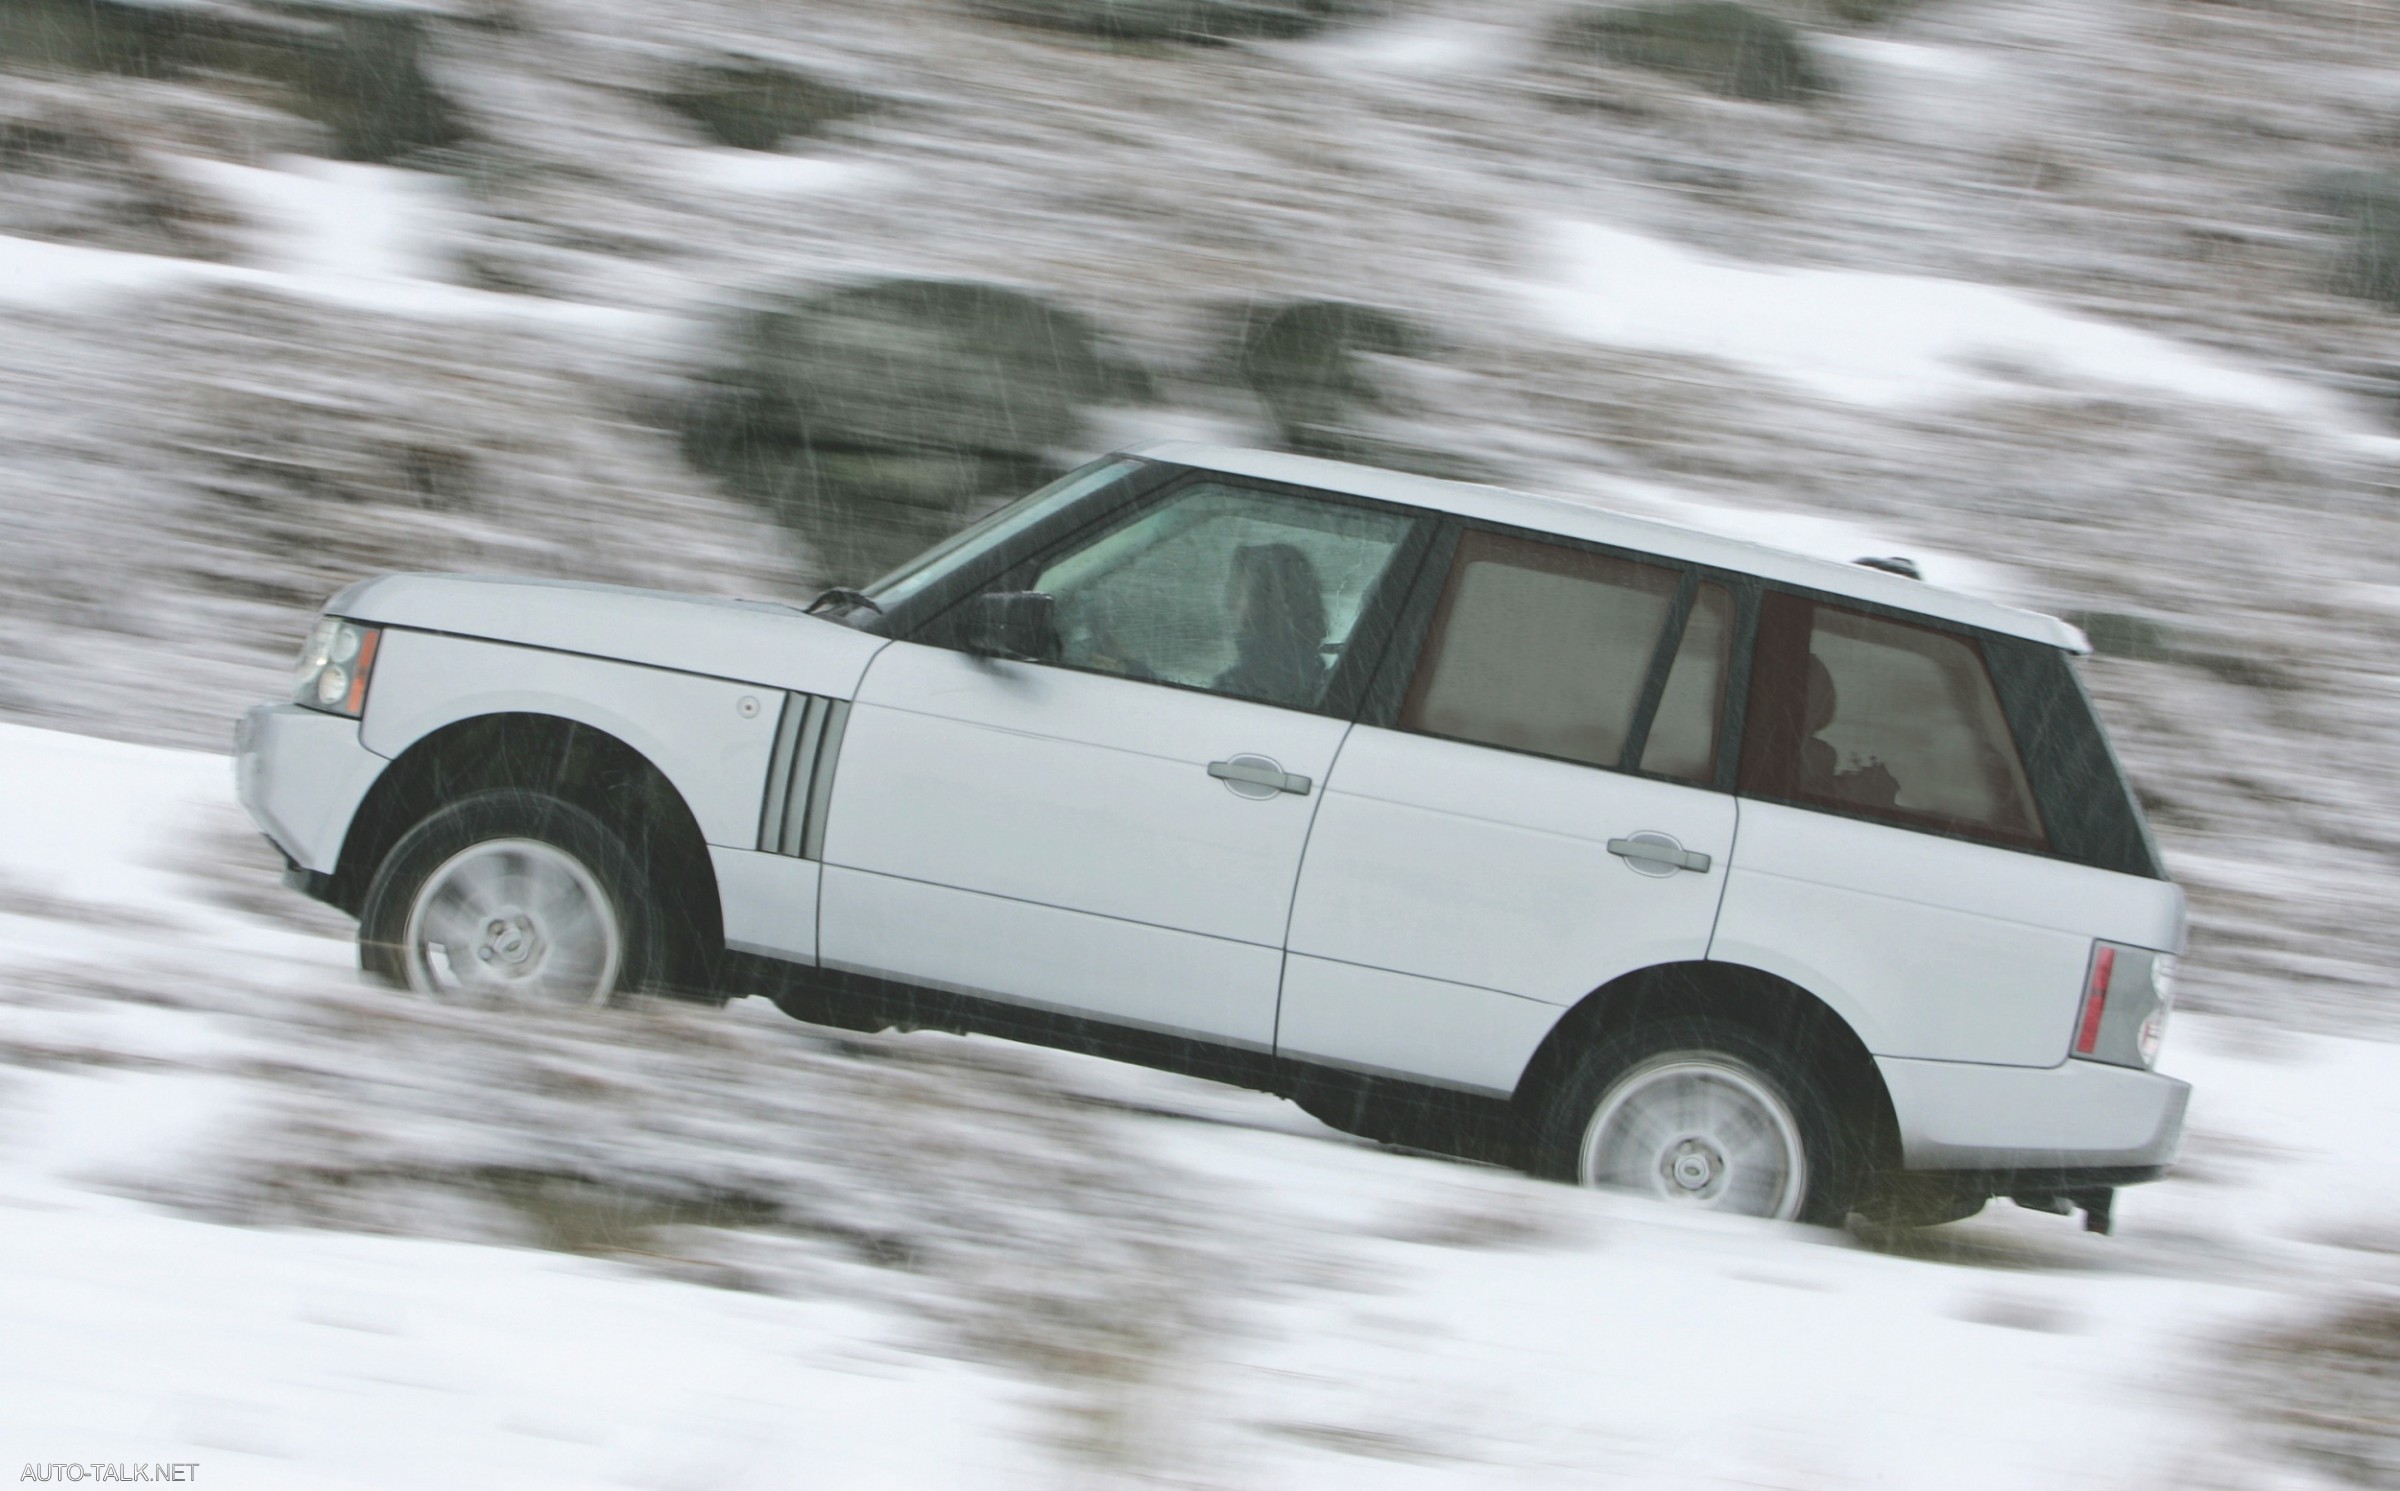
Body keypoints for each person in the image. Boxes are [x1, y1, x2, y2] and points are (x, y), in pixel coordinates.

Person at [1214, 542, 1328, 709]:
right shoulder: (1318, 678)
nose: (1229, 604)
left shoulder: (1242, 686)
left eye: (1237, 592)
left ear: (1265, 600)